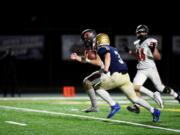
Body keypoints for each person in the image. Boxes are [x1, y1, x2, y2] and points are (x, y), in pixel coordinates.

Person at [91, 33, 161, 122]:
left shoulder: (102, 48)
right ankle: (154, 111)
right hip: (125, 76)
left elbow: (107, 56)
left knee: (96, 87)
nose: (95, 44)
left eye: (96, 42)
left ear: (100, 41)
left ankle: (113, 105)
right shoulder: (113, 48)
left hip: (116, 76)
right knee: (135, 99)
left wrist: (105, 69)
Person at [124, 24, 180, 113]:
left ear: (146, 32)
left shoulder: (150, 41)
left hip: (150, 68)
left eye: (142, 31)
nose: (140, 33)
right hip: (141, 70)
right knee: (135, 87)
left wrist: (153, 49)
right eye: (139, 32)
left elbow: (158, 57)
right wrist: (130, 52)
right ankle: (136, 106)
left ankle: (176, 95)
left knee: (160, 88)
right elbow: (139, 56)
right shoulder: (137, 43)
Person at [70, 29, 120, 118]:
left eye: (85, 39)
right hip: (107, 69)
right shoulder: (92, 46)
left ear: (90, 37)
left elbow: (98, 62)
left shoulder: (97, 45)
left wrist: (88, 60)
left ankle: (97, 106)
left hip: (108, 70)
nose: (84, 41)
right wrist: (77, 58)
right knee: (90, 83)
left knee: (89, 83)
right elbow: (87, 60)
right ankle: (109, 105)